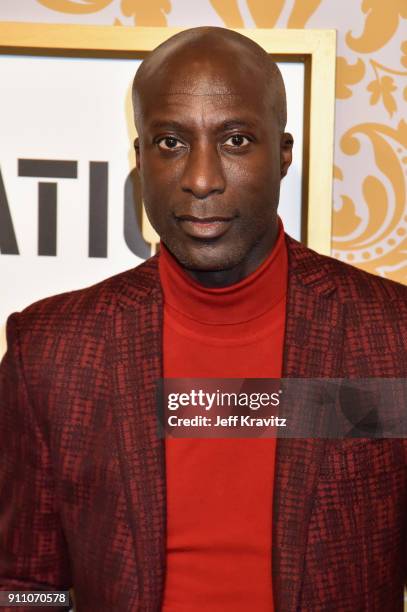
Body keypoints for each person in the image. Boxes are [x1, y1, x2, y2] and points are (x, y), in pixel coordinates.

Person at [0, 26, 406, 612]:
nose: (201, 178)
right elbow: (27, 589)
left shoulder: (390, 338)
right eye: (170, 143)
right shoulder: (51, 351)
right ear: (140, 159)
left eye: (237, 140)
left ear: (286, 154)